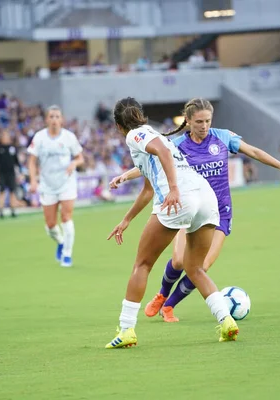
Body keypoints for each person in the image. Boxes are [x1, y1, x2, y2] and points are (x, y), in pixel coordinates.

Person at [111, 98, 280, 322]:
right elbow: (154, 161)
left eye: (207, 121)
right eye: (198, 121)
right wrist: (126, 175)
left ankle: (168, 305)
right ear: (187, 121)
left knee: (200, 267)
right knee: (178, 261)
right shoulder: (177, 144)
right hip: (187, 206)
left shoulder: (222, 137)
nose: (204, 126)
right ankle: (162, 294)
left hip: (218, 212)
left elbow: (252, 151)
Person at [105, 97, 239, 349]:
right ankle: (226, 320)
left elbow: (164, 154)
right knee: (195, 268)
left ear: (119, 125)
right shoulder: (153, 137)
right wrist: (126, 220)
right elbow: (147, 189)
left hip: (181, 197)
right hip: (206, 198)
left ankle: (126, 330)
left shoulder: (135, 135)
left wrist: (174, 189)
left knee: (142, 265)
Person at [27, 106, 84, 268]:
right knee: (50, 224)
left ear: (62, 120)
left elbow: (80, 157)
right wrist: (33, 180)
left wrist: (74, 162)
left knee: (66, 217)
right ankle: (60, 241)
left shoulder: (69, 137)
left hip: (66, 183)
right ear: (46, 119)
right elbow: (31, 161)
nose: (54, 119)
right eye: (51, 116)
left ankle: (67, 254)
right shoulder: (39, 138)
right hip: (47, 185)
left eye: (57, 116)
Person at [0, 131, 20, 219]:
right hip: (2, 174)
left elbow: (16, 161)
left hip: (11, 173)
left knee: (13, 192)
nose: (6, 138)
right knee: (2, 191)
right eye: (4, 136)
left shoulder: (12, 148)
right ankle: (1, 211)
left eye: (7, 136)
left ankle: (13, 210)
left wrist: (19, 172)